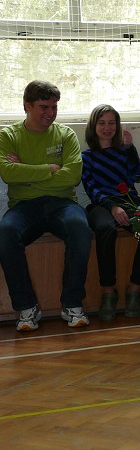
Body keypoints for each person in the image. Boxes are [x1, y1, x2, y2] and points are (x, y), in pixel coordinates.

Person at [0, 80, 93, 330]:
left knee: (80, 228)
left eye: (54, 107)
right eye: (44, 107)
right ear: (27, 106)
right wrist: (50, 169)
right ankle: (27, 308)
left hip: (62, 203)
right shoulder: (7, 135)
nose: (50, 113)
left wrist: (27, 173)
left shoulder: (66, 135)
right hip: (24, 205)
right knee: (5, 231)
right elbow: (8, 173)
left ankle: (72, 304)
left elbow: (73, 177)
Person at [80, 104, 140, 321]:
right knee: (106, 228)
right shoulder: (87, 157)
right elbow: (91, 189)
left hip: (129, 201)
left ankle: (134, 289)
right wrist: (112, 207)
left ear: (117, 125)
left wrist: (131, 148)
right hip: (101, 205)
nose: (107, 127)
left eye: (111, 123)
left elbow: (136, 175)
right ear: (93, 126)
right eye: (102, 123)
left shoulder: (123, 152)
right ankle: (108, 291)